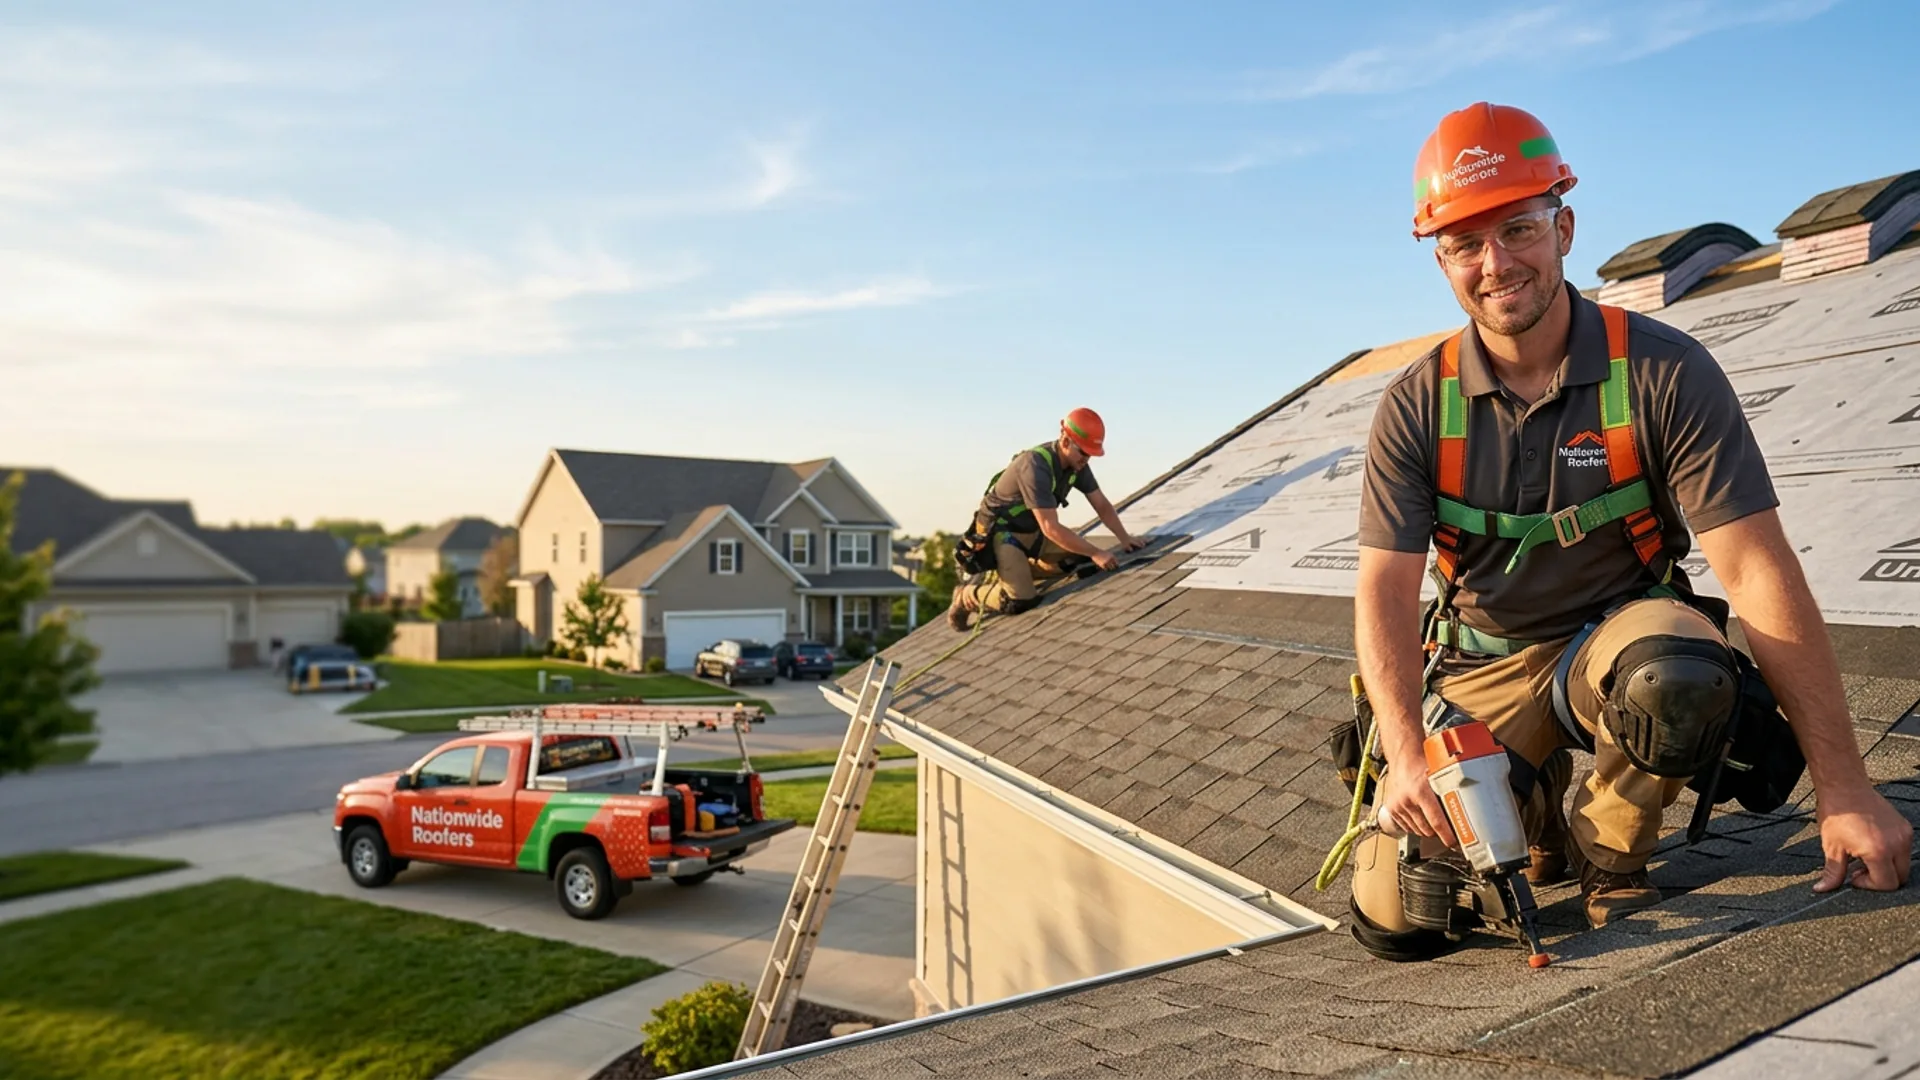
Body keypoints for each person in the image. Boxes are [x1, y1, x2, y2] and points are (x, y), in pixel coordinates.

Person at [1348, 102, 1910, 957]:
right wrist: (1407, 758)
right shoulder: (1418, 406)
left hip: (1617, 642)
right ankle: (1530, 815)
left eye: (1519, 228)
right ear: (1441, 258)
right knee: (1400, 917)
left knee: (1675, 673)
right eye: (1465, 243)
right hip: (1483, 659)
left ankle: (1611, 855)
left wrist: (1845, 789)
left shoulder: (1660, 370)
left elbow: (1757, 572)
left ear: (1564, 226)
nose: (1496, 264)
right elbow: (1384, 595)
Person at [947, 408, 1145, 631]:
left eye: (1090, 454)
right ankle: (966, 596)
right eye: (1083, 452)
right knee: (1020, 601)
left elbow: (1101, 504)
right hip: (1005, 536)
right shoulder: (1035, 466)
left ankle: (1021, 570)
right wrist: (1096, 552)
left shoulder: (1077, 465)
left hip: (1032, 533)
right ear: (1066, 440)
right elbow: (1050, 527)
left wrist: (1124, 538)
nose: (1086, 459)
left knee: (1080, 561)